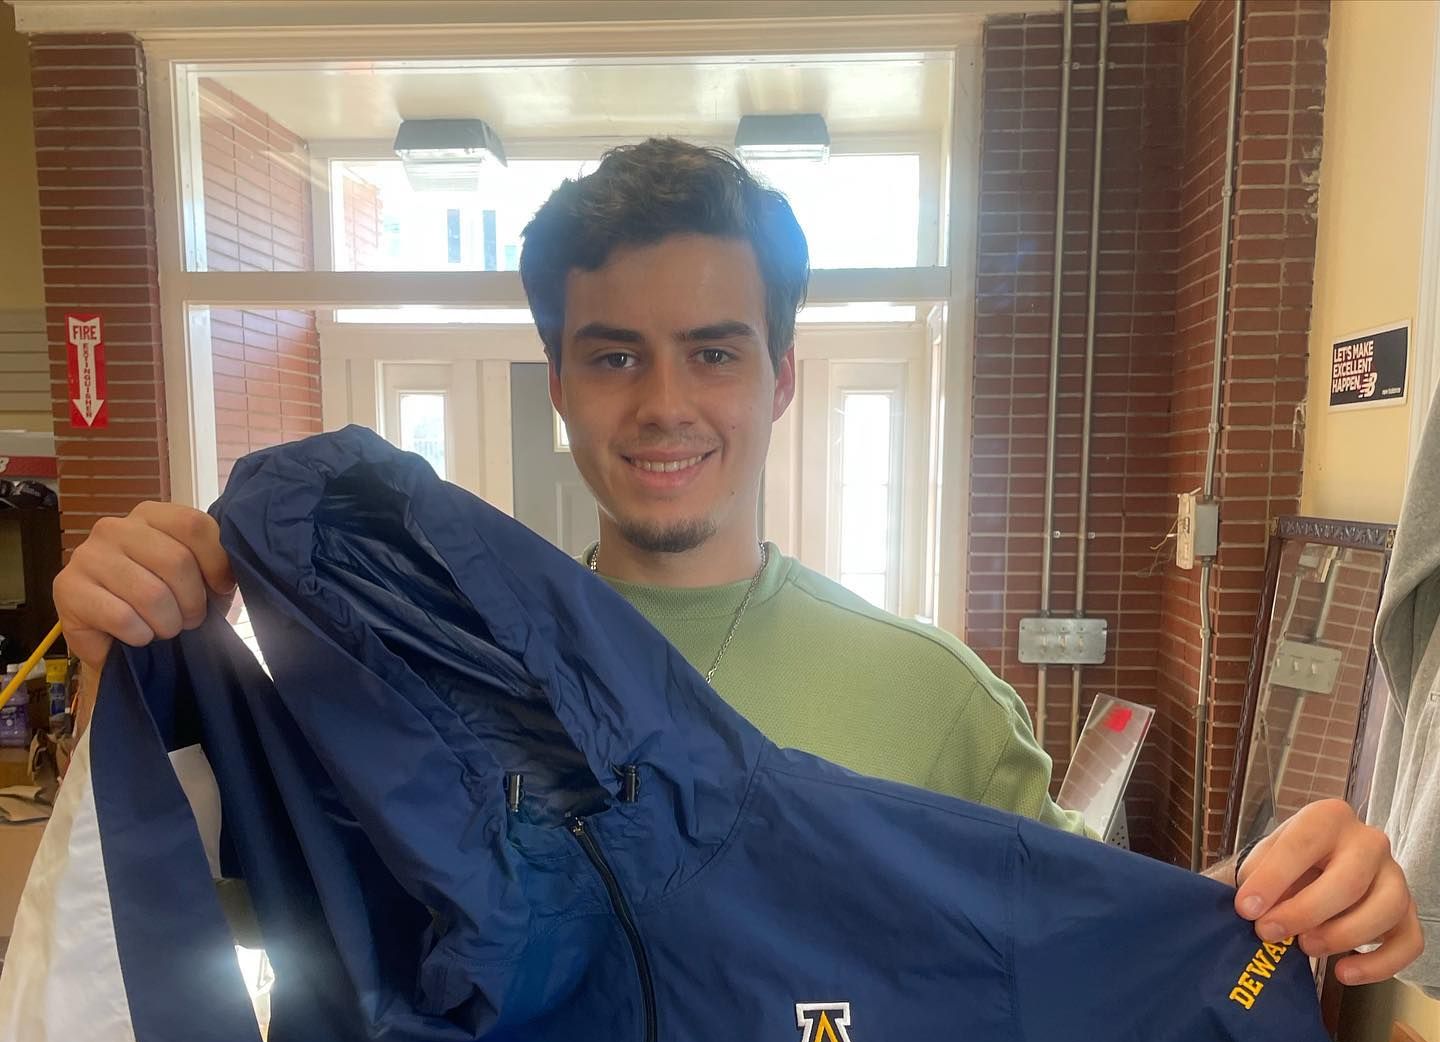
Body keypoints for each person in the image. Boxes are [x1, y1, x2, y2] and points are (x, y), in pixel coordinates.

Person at [52, 138, 1421, 985]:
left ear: (778, 381)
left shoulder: (927, 702)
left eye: (713, 350)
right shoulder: (427, 678)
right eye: (614, 355)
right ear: (560, 387)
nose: (663, 403)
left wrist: (1306, 898)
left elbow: (1101, 951)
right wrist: (140, 668)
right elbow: (206, 903)